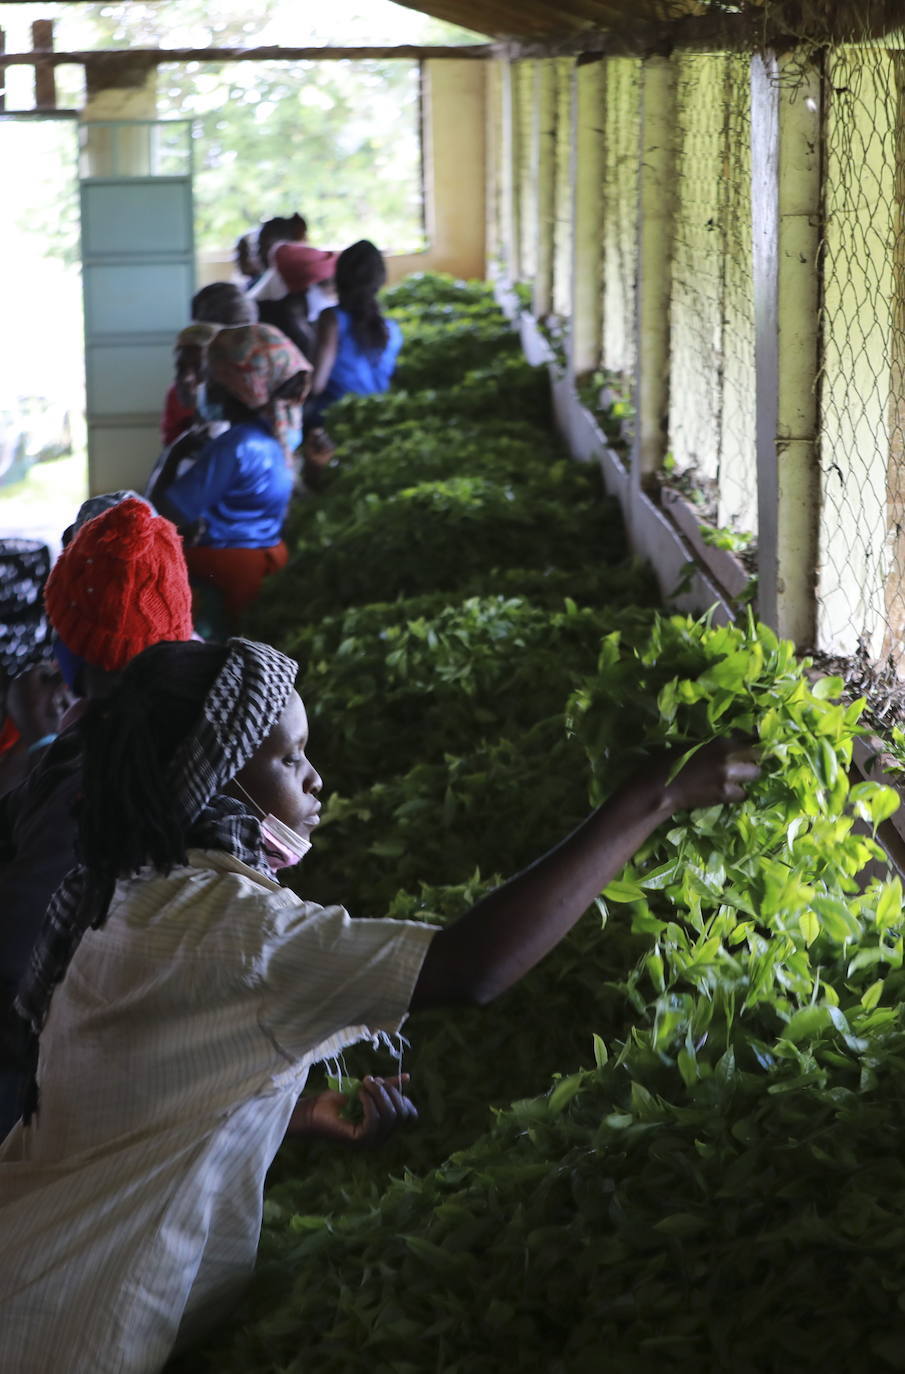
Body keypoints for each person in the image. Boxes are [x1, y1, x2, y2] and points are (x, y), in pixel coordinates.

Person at [0, 634, 757, 1372]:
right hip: (66, 1316)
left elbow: (126, 1093)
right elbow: (474, 967)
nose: (315, 779)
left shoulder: (128, 888)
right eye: (289, 758)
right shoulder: (230, 929)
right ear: (219, 772)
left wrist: (283, 1118)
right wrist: (651, 797)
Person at [149, 324, 311, 626]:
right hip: (264, 558)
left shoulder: (235, 445)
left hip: (224, 572)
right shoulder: (277, 436)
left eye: (209, 377)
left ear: (233, 385)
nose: (201, 386)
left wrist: (174, 453)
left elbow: (164, 512)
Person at [305, 239, 403, 462]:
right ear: (381, 281)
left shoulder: (331, 319)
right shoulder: (392, 329)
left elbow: (317, 384)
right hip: (378, 419)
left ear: (339, 278)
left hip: (333, 420)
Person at [160, 322, 221, 448]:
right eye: (181, 368)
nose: (187, 378)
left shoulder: (237, 403)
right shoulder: (174, 395)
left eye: (199, 368)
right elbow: (170, 447)